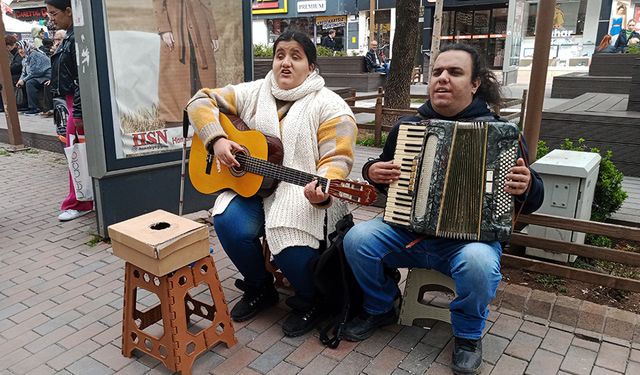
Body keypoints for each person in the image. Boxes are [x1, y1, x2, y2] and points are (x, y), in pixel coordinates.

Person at [341, 43, 544, 375]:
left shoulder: (502, 135)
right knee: (358, 239)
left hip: (469, 242)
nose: (443, 79)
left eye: (455, 72)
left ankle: (467, 335)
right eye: (437, 72)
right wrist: (372, 172)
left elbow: (533, 197)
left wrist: (528, 185)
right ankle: (380, 307)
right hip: (408, 233)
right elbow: (383, 173)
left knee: (479, 263)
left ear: (475, 84)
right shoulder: (408, 127)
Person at [186, 31, 357, 337]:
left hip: (302, 189)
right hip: (254, 187)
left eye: (296, 56)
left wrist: (325, 187)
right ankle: (259, 287)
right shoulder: (254, 92)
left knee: (287, 231)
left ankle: (311, 299)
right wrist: (217, 139)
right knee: (227, 219)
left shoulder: (331, 106)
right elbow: (200, 100)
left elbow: (338, 158)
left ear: (312, 67)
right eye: (280, 55)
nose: (285, 63)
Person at [46, 0, 93, 221]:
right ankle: (81, 199)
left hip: (76, 103)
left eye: (54, 13)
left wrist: (79, 112)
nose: (51, 18)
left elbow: (82, 79)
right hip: (72, 102)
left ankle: (80, 202)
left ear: (68, 11)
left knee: (75, 152)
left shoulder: (76, 38)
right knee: (75, 151)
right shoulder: (71, 35)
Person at [153, 0, 220, 124]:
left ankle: (205, 116)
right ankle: (176, 121)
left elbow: (206, 3)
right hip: (174, 26)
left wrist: (212, 32)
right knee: (175, 74)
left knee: (205, 74)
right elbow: (158, 3)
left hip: (199, 23)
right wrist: (164, 28)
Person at [15, 40, 51, 115]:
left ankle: (34, 108)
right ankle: (26, 106)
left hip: (45, 75)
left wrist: (24, 80)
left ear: (27, 47)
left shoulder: (34, 55)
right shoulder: (25, 58)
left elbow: (36, 71)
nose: (20, 51)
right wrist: (20, 80)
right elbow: (24, 72)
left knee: (30, 83)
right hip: (37, 76)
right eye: (18, 49)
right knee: (22, 83)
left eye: (21, 48)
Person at [5, 35, 28, 111]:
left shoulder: (17, 52)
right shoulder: (15, 53)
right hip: (19, 75)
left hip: (19, 76)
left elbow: (18, 66)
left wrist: (7, 69)